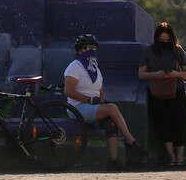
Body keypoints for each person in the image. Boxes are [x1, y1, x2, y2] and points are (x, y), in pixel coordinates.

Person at [64, 33, 149, 171]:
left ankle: (113, 161)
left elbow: (100, 89)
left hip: (93, 106)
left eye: (93, 47)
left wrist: (102, 98)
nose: (91, 50)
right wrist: (89, 99)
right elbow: (68, 91)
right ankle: (131, 142)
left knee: (111, 124)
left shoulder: (94, 68)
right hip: (77, 107)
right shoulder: (75, 66)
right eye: (87, 48)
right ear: (80, 50)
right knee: (112, 108)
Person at [138, 22, 186, 166]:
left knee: (179, 123)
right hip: (156, 90)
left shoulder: (177, 50)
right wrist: (156, 74)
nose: (165, 42)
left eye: (167, 40)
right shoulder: (149, 51)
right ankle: (171, 156)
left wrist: (175, 74)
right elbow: (141, 74)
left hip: (176, 89)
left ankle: (180, 157)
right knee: (162, 123)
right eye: (162, 40)